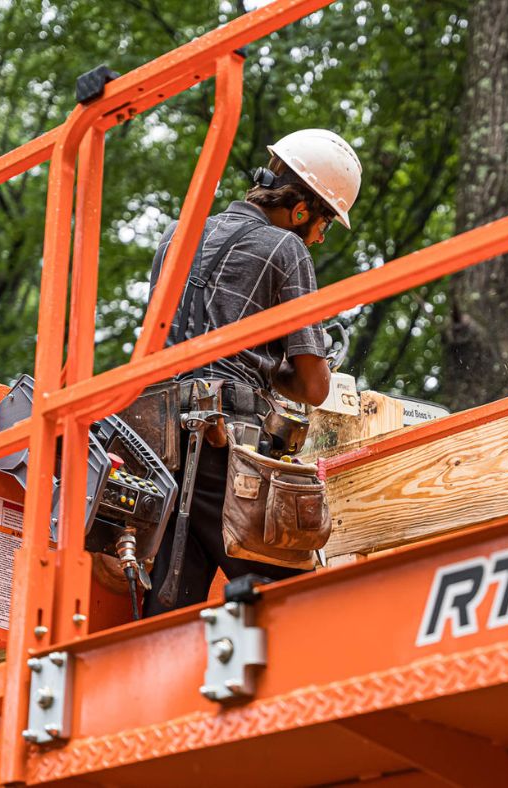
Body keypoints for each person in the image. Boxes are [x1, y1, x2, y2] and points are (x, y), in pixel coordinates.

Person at [142, 129, 362, 616]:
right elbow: (313, 385)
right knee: (299, 606)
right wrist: (276, 369)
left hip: (153, 442)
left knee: (168, 605)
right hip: (223, 442)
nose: (321, 237)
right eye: (323, 222)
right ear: (301, 209)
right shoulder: (286, 249)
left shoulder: (177, 235)